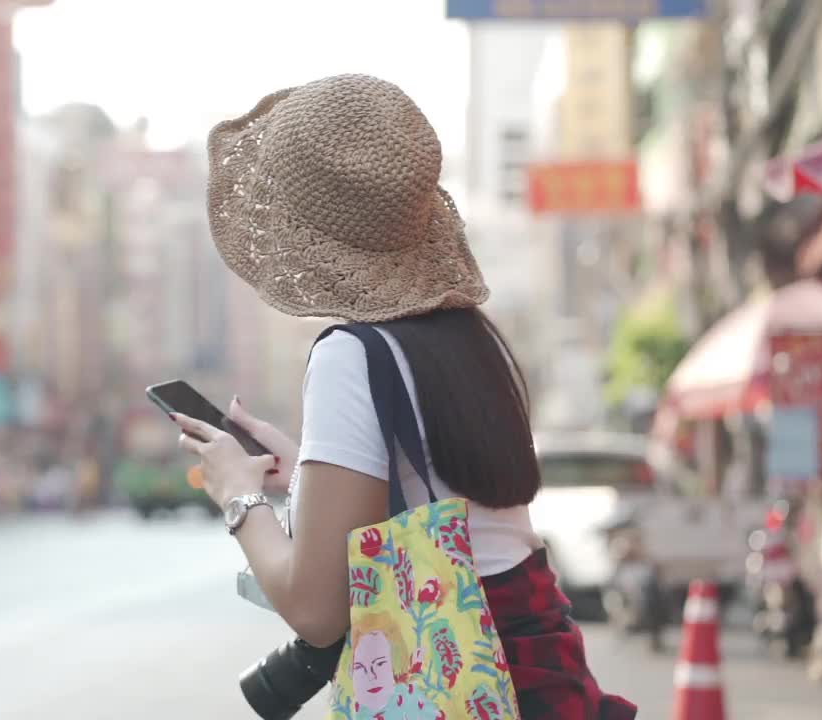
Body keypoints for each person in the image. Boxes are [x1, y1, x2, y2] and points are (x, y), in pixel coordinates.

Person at [171, 74, 636, 718]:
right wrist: (310, 469)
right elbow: (445, 501)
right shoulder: (471, 338)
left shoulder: (350, 354)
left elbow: (315, 610)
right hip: (539, 675)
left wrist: (237, 493)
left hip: (461, 687)